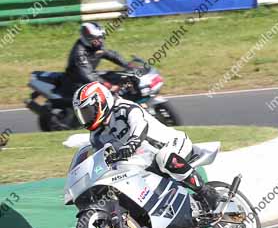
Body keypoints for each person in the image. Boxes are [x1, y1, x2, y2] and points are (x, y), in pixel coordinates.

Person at [72, 81, 220, 210]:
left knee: (164, 157)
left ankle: (205, 191)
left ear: (101, 102)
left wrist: (132, 143)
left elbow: (140, 125)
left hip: (171, 144)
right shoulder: (96, 136)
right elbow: (101, 156)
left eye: (88, 111)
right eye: (82, 114)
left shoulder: (124, 107)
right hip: (145, 161)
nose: (86, 117)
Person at [64, 22, 133, 98]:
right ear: (87, 37)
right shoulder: (79, 53)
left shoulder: (95, 45)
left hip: (90, 76)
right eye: (96, 38)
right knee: (105, 97)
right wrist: (108, 86)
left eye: (100, 37)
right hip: (78, 82)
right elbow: (88, 75)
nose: (99, 40)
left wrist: (127, 65)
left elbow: (110, 54)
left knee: (120, 76)